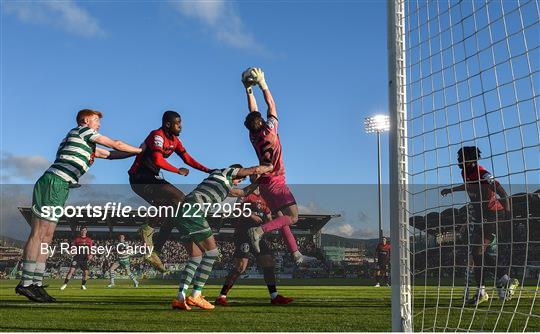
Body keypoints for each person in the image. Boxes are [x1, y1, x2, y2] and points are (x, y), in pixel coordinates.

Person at [15, 109, 142, 303]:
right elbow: (115, 144)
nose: (99, 125)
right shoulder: (82, 131)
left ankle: (36, 285)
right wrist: (141, 150)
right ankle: (25, 283)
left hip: (60, 186)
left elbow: (111, 154)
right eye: (96, 120)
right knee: (39, 233)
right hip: (54, 182)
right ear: (85, 120)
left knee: (47, 236)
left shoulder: (87, 143)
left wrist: (136, 153)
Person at [171, 164, 273, 311]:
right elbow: (254, 170)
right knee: (212, 253)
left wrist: (259, 181)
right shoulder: (226, 172)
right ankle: (196, 295)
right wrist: (270, 167)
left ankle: (180, 297)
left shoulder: (225, 186)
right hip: (193, 211)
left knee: (195, 257)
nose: (239, 182)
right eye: (240, 178)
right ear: (237, 174)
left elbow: (243, 192)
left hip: (181, 213)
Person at [241, 67, 316, 266]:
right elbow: (270, 104)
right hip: (276, 181)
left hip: (265, 185)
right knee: (292, 217)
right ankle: (259, 231)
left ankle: (296, 254)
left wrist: (248, 90)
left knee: (281, 218)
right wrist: (263, 84)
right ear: (261, 122)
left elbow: (253, 110)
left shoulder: (253, 135)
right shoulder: (270, 130)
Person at [129, 110, 211, 272]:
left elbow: (187, 159)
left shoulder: (175, 140)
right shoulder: (157, 135)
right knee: (179, 197)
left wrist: (207, 170)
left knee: (172, 212)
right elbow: (158, 160)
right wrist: (177, 171)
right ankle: (147, 230)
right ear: (168, 124)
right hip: (140, 178)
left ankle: (155, 249)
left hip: (152, 178)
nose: (181, 126)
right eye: (177, 123)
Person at [441, 146, 519, 305]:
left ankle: (499, 284)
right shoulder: (465, 172)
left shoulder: (483, 173)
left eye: (460, 158)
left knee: (477, 252)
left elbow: (503, 194)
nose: (458, 161)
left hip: (494, 215)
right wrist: (451, 190)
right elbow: (468, 186)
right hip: (481, 217)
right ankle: (493, 286)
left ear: (470, 160)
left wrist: (508, 218)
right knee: (477, 255)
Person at [215, 175, 294, 306]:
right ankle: (222, 296)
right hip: (243, 234)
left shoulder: (266, 196)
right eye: (253, 176)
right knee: (241, 266)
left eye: (256, 176)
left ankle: (274, 296)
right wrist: (251, 215)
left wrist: (271, 223)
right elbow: (237, 210)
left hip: (257, 235)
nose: (255, 178)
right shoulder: (245, 193)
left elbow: (268, 214)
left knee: (268, 262)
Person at [60, 226, 93, 291]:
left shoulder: (89, 240)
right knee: (71, 271)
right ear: (80, 231)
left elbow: (91, 249)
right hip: (77, 258)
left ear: (86, 231)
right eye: (82, 230)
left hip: (84, 259)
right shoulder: (76, 239)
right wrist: (70, 252)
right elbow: (72, 247)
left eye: (84, 230)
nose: (83, 231)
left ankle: (83, 285)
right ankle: (65, 284)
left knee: (86, 273)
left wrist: (91, 255)